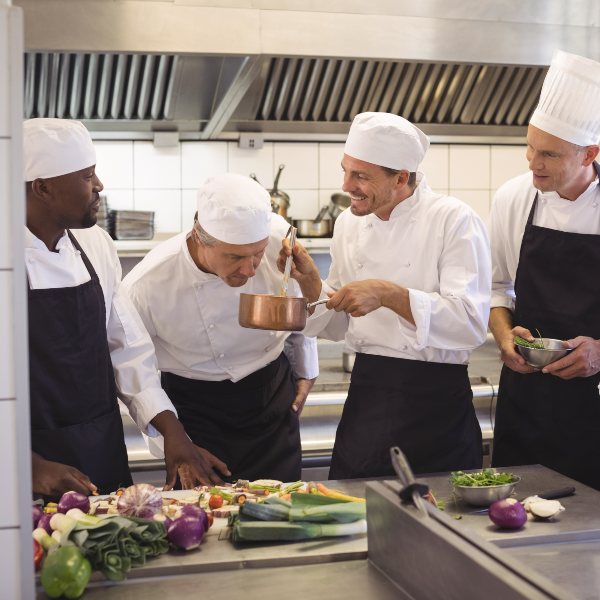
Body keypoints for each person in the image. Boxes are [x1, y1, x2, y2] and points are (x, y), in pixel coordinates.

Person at [278, 112, 491, 479]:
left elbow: (470, 323)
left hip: (436, 405)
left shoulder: (454, 220)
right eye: (345, 170)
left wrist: (389, 294)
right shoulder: (349, 223)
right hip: (368, 398)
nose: (347, 185)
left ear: (401, 178)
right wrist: (312, 283)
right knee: (355, 521)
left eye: (361, 176)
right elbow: (340, 322)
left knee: (442, 525)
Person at [24, 118, 225, 499]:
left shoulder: (96, 245)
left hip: (98, 450)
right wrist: (27, 466)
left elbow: (126, 347)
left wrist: (173, 432)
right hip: (22, 463)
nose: (99, 185)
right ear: (43, 188)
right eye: (87, 176)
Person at [122, 173, 318, 485]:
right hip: (196, 414)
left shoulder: (279, 240)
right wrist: (172, 439)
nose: (251, 268)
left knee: (283, 513)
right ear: (200, 236)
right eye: (235, 257)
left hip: (271, 398)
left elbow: (296, 301)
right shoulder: (147, 284)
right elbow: (134, 371)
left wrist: (306, 367)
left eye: (257, 254)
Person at [489, 50, 600, 490]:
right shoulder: (514, 198)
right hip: (527, 398)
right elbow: (497, 290)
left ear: (590, 153)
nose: (532, 162)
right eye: (530, 146)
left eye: (549, 154)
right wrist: (502, 336)